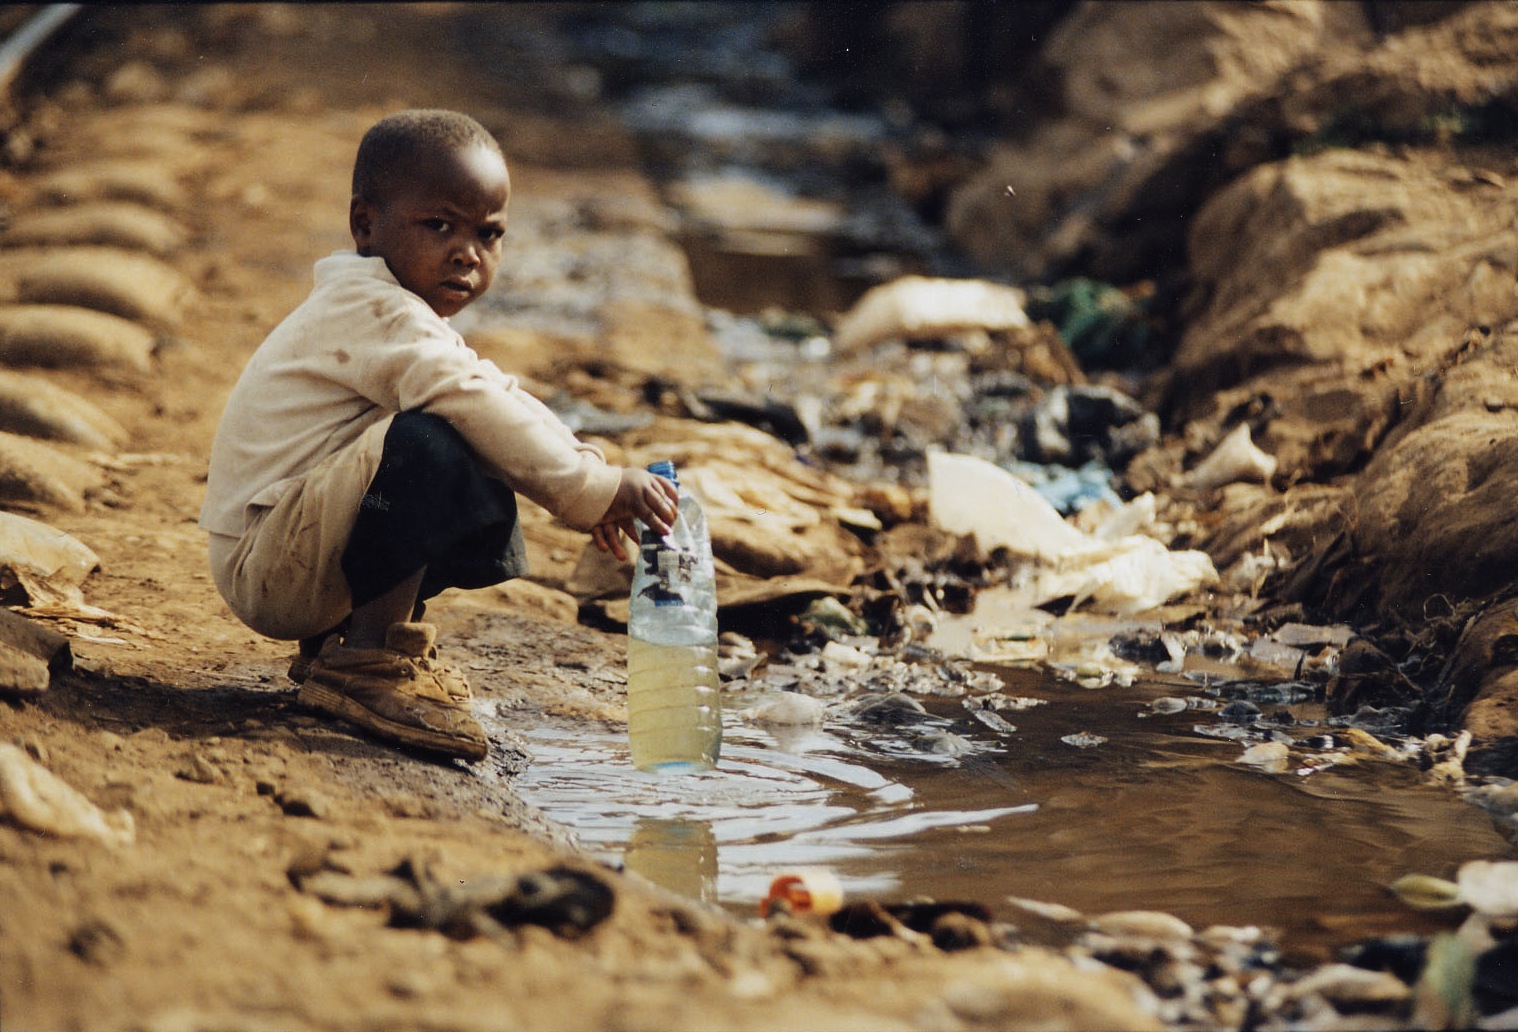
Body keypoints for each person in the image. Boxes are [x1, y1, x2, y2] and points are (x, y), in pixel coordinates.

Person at [199, 109, 679, 762]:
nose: (467, 253)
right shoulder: (372, 311)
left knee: (472, 440)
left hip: (292, 550)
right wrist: (590, 490)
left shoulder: (396, 312)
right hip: (270, 565)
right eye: (440, 226)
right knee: (435, 441)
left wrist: (589, 469)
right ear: (365, 224)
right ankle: (367, 662)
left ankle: (346, 642)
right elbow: (473, 399)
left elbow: (495, 392)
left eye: (489, 234)